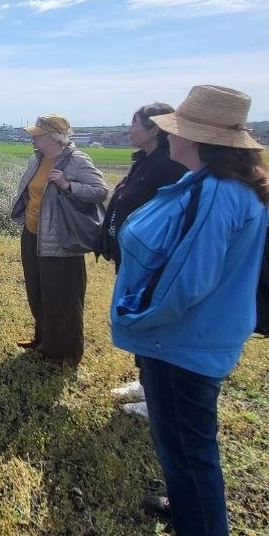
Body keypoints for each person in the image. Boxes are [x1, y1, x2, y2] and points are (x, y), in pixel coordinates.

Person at [109, 85, 269, 536]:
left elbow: (188, 279)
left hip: (182, 340)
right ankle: (184, 509)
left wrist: (137, 318)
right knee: (178, 439)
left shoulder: (215, 193)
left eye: (178, 129)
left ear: (198, 139)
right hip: (192, 337)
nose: (168, 136)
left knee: (190, 448)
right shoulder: (219, 184)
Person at [97, 103, 187, 417]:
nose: (129, 130)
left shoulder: (170, 166)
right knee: (138, 319)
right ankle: (146, 383)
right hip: (135, 260)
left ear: (154, 129)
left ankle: (156, 399)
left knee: (153, 324)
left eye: (134, 124)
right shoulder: (145, 161)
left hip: (154, 263)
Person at [9, 114, 108, 364]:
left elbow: (100, 191)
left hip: (60, 238)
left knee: (62, 297)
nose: (33, 138)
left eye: (37, 135)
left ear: (54, 138)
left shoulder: (76, 160)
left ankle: (64, 354)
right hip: (32, 235)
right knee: (38, 290)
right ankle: (42, 340)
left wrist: (67, 184)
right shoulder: (38, 158)